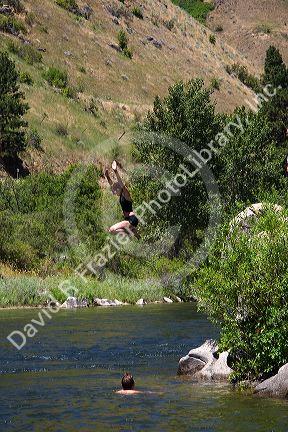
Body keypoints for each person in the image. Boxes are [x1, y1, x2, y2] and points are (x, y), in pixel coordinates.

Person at [104, 161, 140, 239]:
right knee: (113, 231)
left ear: (119, 189)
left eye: (116, 190)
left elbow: (121, 184)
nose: (114, 191)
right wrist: (107, 177)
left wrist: (116, 171)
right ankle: (133, 232)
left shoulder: (126, 195)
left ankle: (131, 233)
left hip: (132, 219)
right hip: (128, 219)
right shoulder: (120, 195)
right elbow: (112, 185)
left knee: (112, 230)